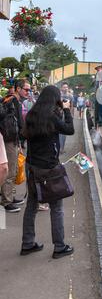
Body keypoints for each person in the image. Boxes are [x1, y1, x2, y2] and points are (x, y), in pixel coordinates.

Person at [21, 85, 75, 258]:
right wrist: (66, 110)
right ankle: (59, 247)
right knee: (57, 207)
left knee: (31, 205)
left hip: (31, 166)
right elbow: (69, 130)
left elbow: (24, 137)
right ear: (55, 99)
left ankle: (27, 244)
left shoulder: (31, 115)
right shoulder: (51, 117)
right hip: (48, 168)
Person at [0, 79, 30, 212]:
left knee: (12, 169)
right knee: (11, 170)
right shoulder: (14, 102)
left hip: (8, 139)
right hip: (10, 140)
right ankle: (7, 201)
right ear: (18, 89)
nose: (28, 92)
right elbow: (20, 125)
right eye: (26, 89)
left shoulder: (8, 100)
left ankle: (9, 196)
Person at [59, 82, 73, 154]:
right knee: (59, 133)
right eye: (64, 87)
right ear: (61, 88)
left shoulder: (70, 96)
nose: (65, 88)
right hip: (59, 115)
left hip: (66, 115)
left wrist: (71, 115)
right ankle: (59, 148)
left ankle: (62, 148)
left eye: (66, 87)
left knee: (64, 133)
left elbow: (72, 106)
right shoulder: (59, 95)